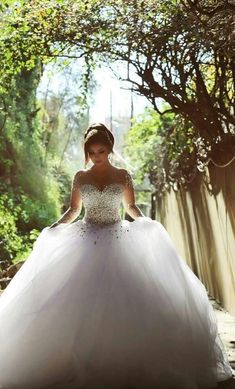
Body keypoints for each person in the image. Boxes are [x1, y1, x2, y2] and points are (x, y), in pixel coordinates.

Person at [0, 123, 233, 389]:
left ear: (109, 149)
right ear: (87, 152)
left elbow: (131, 206)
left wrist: (147, 224)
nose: (97, 155)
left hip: (117, 237)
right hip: (84, 239)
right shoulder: (80, 176)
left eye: (101, 150)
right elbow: (74, 210)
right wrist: (56, 226)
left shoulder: (123, 175)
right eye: (92, 151)